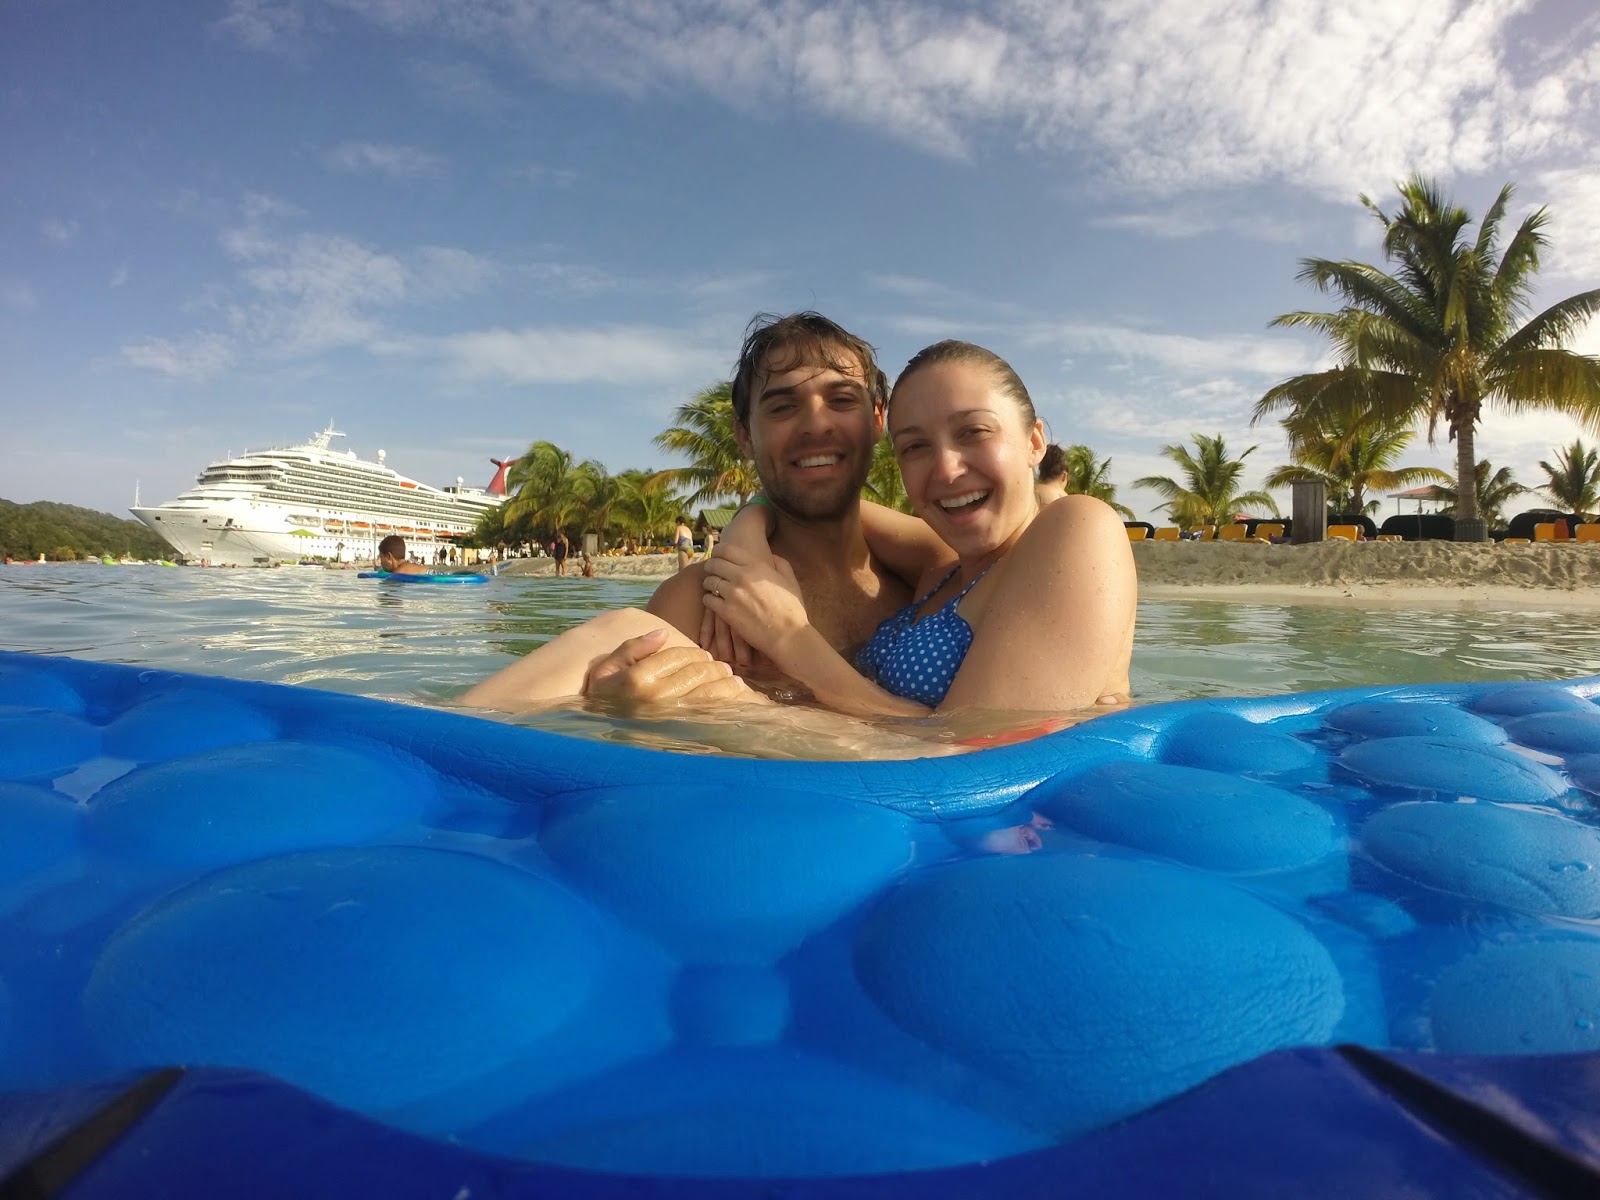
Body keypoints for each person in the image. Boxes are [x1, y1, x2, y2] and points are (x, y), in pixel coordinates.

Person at [461, 311, 925, 711]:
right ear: (745, 437)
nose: (816, 424)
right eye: (783, 407)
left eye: (841, 400)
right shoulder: (697, 604)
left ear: (877, 419)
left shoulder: (933, 579)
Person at [702, 340, 1134, 718]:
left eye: (974, 431)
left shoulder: (1081, 527)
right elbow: (816, 507)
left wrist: (785, 644)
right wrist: (747, 525)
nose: (946, 470)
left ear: (1034, 442)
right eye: (915, 447)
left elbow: (970, 753)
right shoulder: (939, 568)